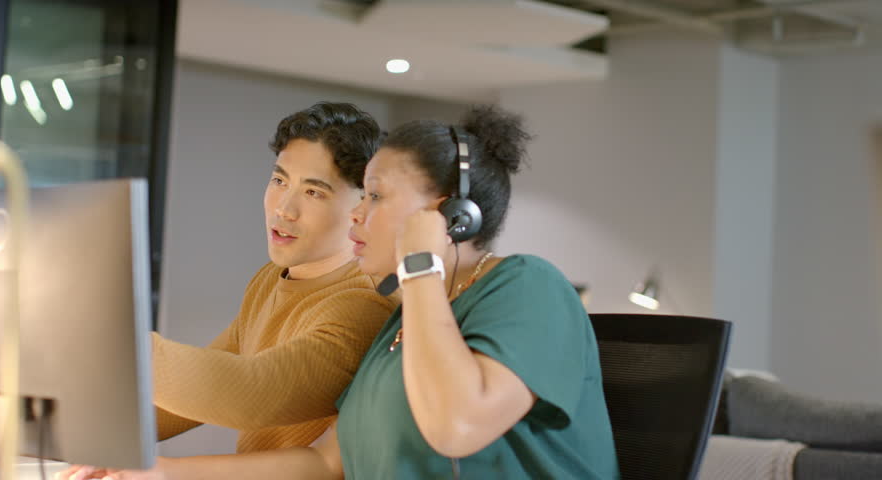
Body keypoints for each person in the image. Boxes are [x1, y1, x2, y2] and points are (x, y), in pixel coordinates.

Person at [59, 105, 618, 479]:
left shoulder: (526, 286)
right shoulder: (404, 323)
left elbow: (457, 425)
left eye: (374, 197)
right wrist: (152, 471)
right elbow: (325, 462)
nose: (359, 217)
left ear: (450, 214)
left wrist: (420, 267)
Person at [60, 102, 398, 480]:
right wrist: (64, 433)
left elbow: (251, 392)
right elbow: (194, 396)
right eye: (279, 180)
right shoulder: (271, 278)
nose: (284, 209)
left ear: (361, 208)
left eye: (314, 192)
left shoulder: (365, 304)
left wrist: (110, 342)